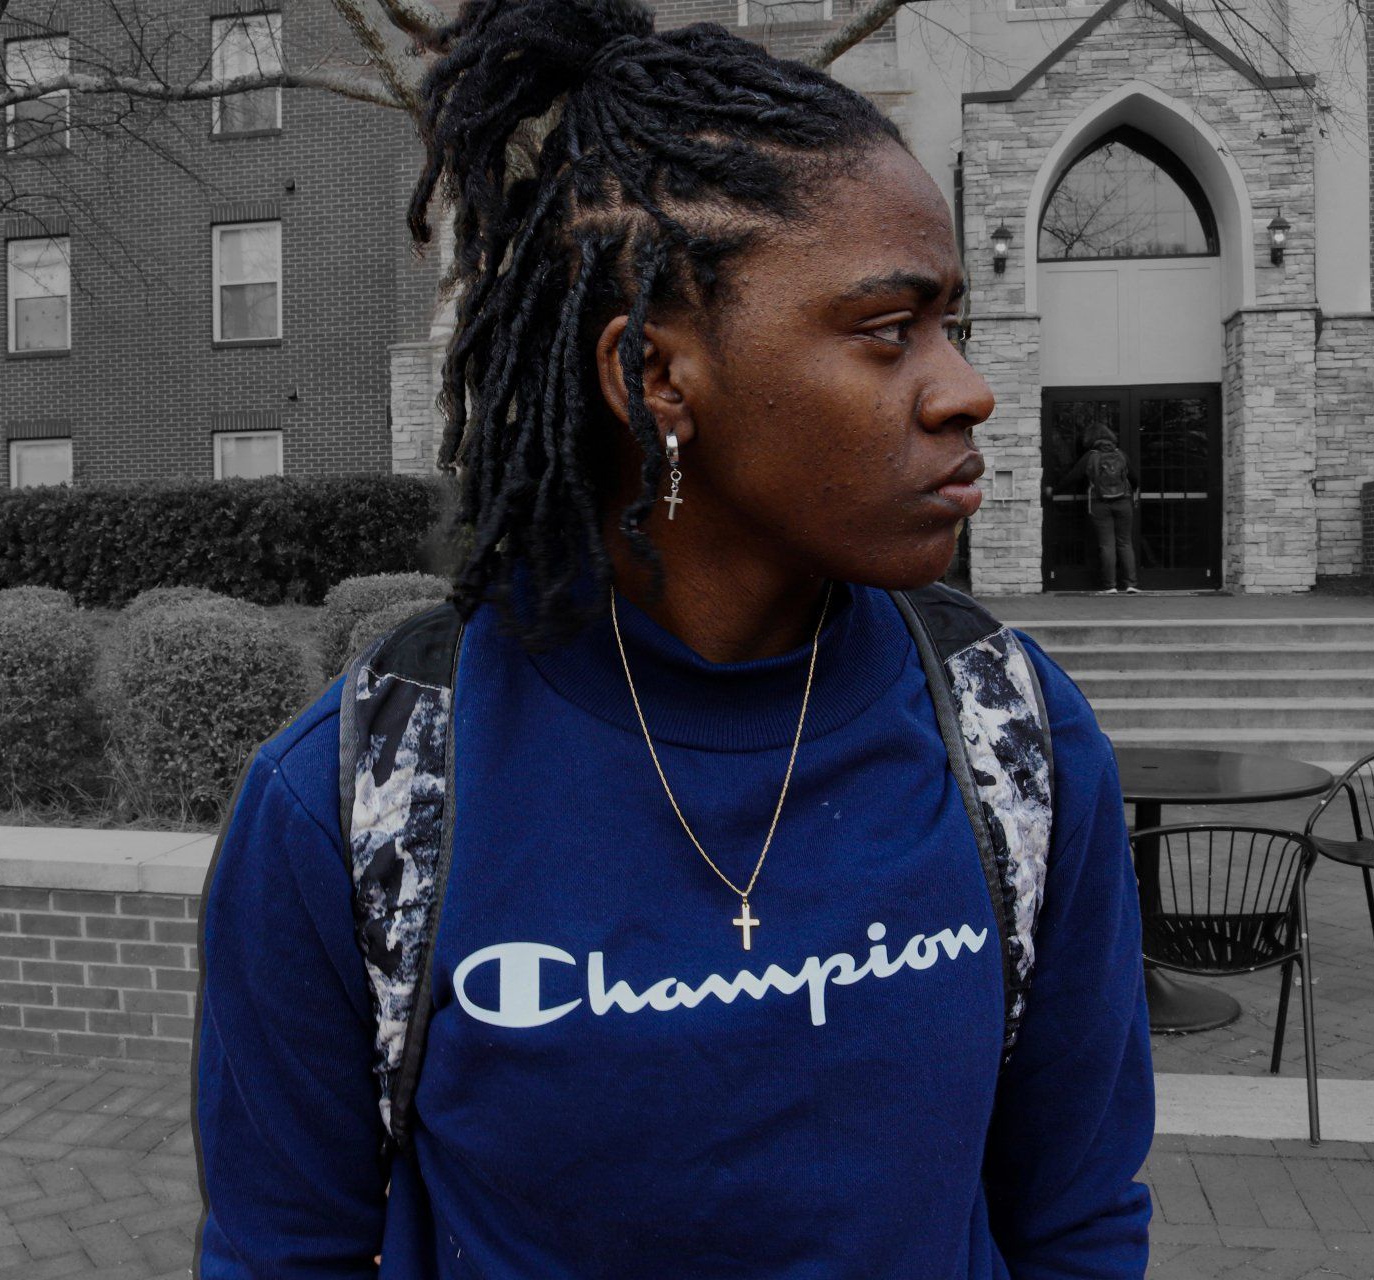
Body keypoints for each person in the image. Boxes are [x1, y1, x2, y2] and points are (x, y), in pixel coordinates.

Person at [192, 0, 1154, 1275]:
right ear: (654, 375)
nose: (962, 386)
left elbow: (1077, 1217)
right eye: (886, 330)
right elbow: (282, 1253)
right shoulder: (363, 792)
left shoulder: (1010, 736)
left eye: (951, 324)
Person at [1061, 430, 1140, 594]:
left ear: (1090, 440)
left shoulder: (1091, 456)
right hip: (1124, 502)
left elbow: (1073, 477)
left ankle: (1110, 585)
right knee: (1125, 543)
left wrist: (1054, 490)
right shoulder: (1121, 454)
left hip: (1100, 503)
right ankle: (1131, 583)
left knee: (1107, 545)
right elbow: (1134, 479)